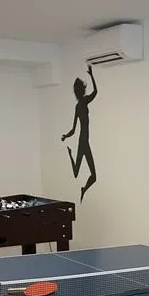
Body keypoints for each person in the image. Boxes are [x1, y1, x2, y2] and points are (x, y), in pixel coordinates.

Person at [61, 65, 98, 202]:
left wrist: (66, 136)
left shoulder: (81, 103)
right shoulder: (82, 103)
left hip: (84, 141)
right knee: (80, 173)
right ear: (82, 90)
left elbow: (73, 130)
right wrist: (92, 75)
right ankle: (70, 154)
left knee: (93, 176)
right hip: (83, 141)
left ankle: (83, 189)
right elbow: (74, 129)